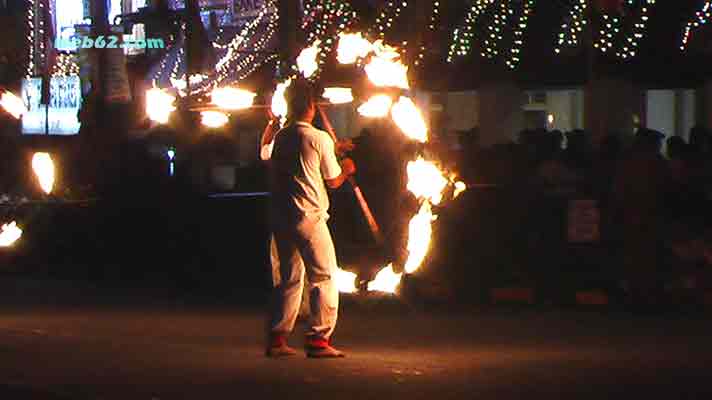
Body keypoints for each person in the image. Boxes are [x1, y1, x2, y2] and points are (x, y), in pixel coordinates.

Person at [266, 78, 356, 358]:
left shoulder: (282, 136)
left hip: (282, 217)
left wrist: (333, 150)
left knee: (290, 279)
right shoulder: (318, 137)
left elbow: (266, 153)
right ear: (312, 107)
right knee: (324, 276)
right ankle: (319, 339)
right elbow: (333, 180)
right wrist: (347, 168)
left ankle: (278, 339)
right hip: (310, 218)